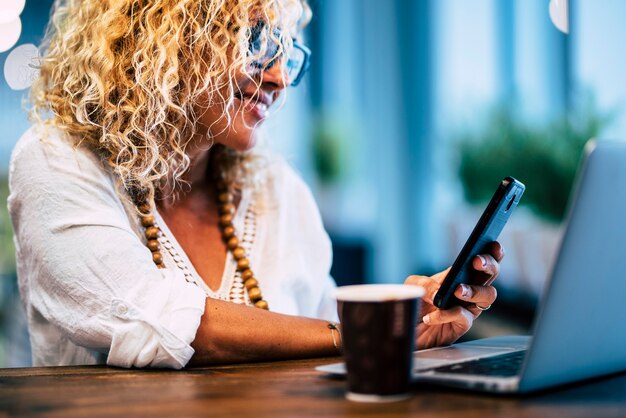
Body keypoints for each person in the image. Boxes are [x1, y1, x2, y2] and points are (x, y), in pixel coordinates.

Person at [8, 0, 502, 369]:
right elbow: (154, 320)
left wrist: (404, 316)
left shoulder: (276, 188)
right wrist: (359, 332)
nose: (280, 78)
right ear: (167, 36)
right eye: (258, 42)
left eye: (288, 53)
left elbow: (312, 318)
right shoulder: (56, 161)